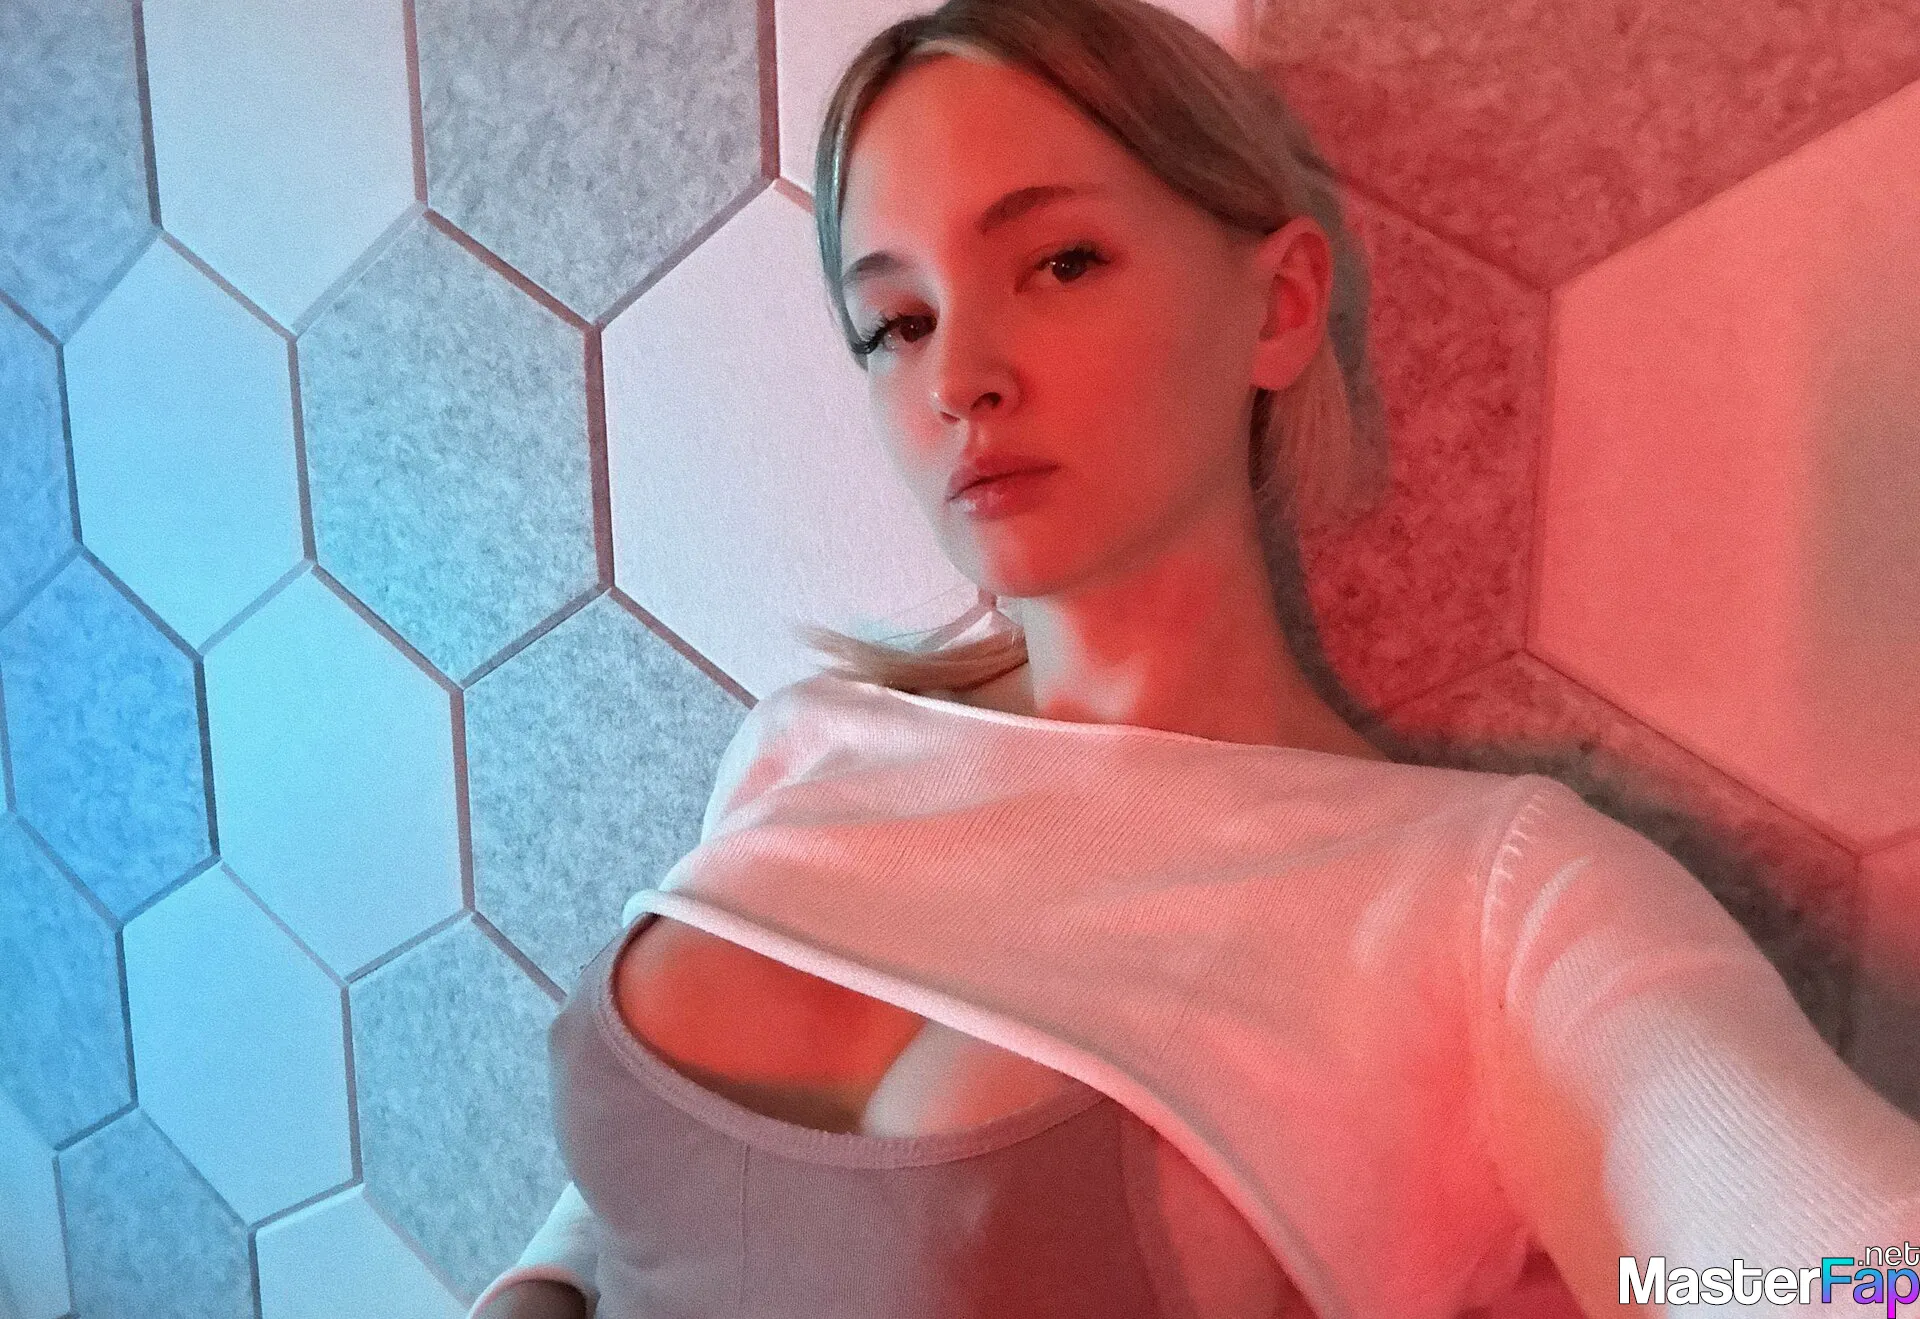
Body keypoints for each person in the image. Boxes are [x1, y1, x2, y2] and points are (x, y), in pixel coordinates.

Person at [471, 2, 1920, 1316]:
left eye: (1060, 262)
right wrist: (534, 1288)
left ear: (1279, 307)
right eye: (898, 322)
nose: (960, 376)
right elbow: (669, 1198)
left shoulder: (1486, 906)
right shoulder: (805, 743)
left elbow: (1860, 1277)